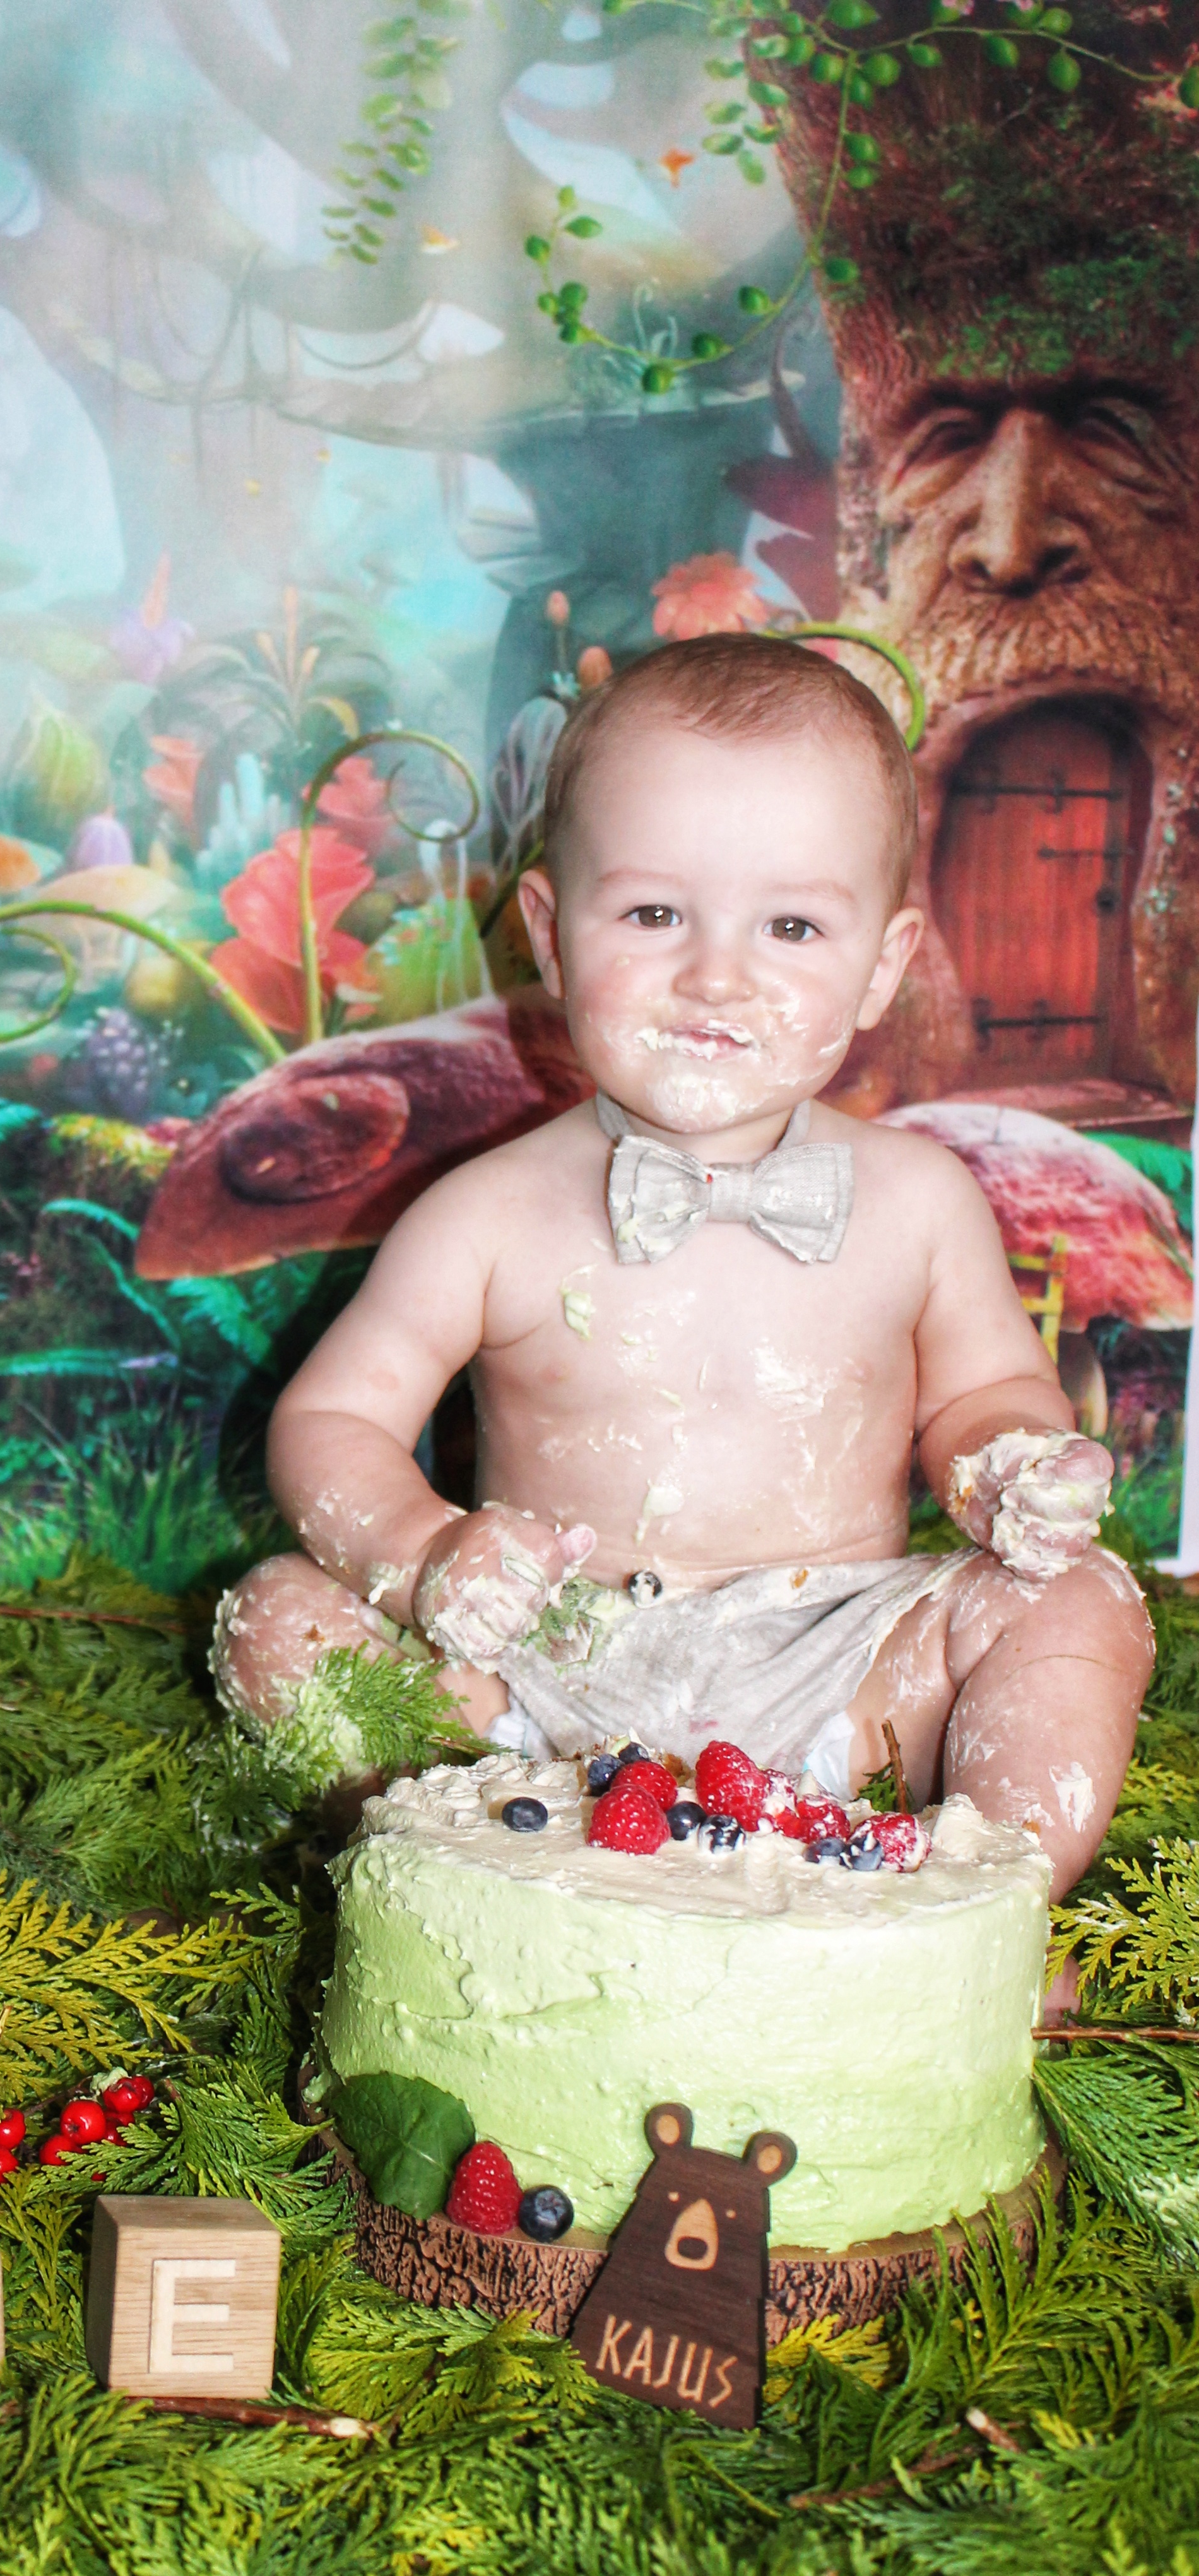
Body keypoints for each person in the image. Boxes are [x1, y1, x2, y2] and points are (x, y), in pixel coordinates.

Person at [211, 633, 1152, 1905]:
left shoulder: (920, 1201)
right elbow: (331, 1420)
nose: (718, 974)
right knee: (277, 1613)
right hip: (533, 1683)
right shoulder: (487, 1212)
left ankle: (976, 1906)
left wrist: (1008, 1464)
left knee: (1076, 1601)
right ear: (551, 935)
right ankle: (455, 1876)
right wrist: (424, 1553)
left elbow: (986, 1389)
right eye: (654, 914)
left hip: (844, 1672)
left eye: (792, 925)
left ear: (881, 967)